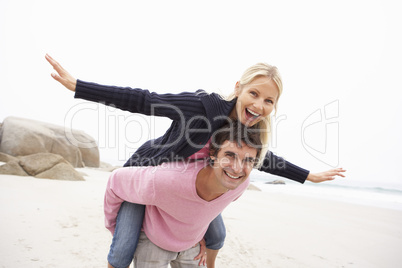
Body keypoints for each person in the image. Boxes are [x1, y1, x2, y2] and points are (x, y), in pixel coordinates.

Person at [45, 54, 346, 268]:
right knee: (123, 249)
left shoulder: (245, 128)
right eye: (254, 93)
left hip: (188, 189)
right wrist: (80, 87)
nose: (259, 105)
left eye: (269, 101)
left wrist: (309, 176)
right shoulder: (202, 107)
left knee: (216, 235)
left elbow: (263, 158)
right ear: (239, 87)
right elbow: (144, 100)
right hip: (148, 177)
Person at [105, 122, 261, 267]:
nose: (237, 168)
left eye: (248, 160)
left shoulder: (240, 185)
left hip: (192, 246)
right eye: (230, 155)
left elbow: (208, 207)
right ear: (213, 153)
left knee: (218, 235)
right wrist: (117, 231)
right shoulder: (166, 180)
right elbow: (115, 180)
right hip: (154, 242)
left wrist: (197, 228)